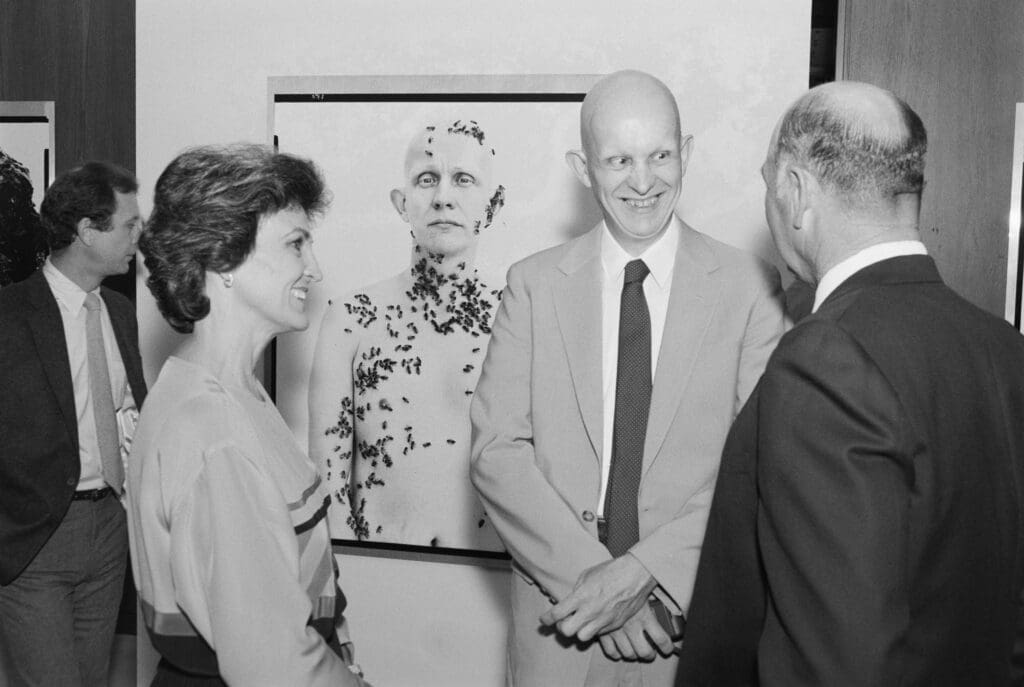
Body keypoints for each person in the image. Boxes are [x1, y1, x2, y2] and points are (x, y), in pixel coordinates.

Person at [677, 81, 1024, 686]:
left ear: (795, 190)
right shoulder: (1002, 346)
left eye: (768, 185)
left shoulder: (824, 359)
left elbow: (837, 663)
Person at [470, 70, 786, 686]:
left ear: (686, 153)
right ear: (583, 168)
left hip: (685, 632)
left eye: (660, 155)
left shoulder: (752, 289)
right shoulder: (532, 286)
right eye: (617, 160)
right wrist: (598, 588)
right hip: (561, 631)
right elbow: (496, 455)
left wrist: (645, 574)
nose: (643, 183)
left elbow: (758, 465)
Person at [128, 144, 367, 686]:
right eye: (295, 244)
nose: (315, 268)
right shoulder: (214, 431)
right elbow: (275, 663)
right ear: (222, 258)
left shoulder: (235, 393)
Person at [309, 119, 505, 550]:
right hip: (376, 571)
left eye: (463, 180)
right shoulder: (351, 319)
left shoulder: (516, 319)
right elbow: (330, 481)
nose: (442, 198)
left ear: (493, 205)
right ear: (402, 203)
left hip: (493, 575)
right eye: (427, 179)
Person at [0, 161, 147, 686]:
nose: (139, 235)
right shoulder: (10, 315)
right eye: (129, 224)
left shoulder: (121, 311)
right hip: (33, 539)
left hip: (108, 530)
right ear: (88, 230)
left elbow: (127, 411)